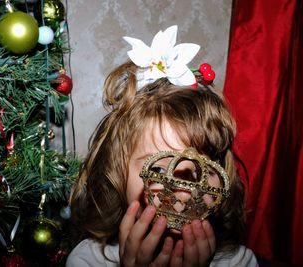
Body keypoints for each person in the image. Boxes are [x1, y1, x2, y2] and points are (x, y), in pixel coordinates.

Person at [66, 26, 258, 266]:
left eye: (204, 171)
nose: (185, 188)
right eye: (157, 171)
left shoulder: (239, 262)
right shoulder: (88, 260)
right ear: (117, 176)